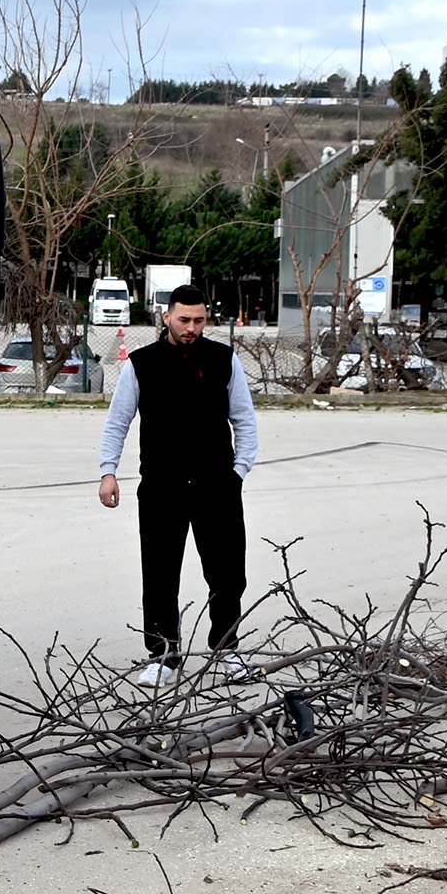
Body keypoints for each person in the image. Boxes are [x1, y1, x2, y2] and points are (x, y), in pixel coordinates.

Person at [96, 283, 260, 683]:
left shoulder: (223, 359)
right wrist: (108, 471)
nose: (191, 327)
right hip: (160, 486)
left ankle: (226, 649)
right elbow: (118, 422)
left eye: (199, 320)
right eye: (184, 319)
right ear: (166, 316)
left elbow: (244, 418)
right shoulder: (141, 363)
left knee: (227, 573)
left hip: (217, 485)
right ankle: (163, 656)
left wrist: (238, 472)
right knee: (159, 574)